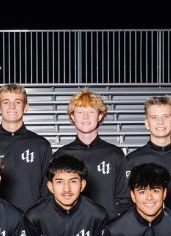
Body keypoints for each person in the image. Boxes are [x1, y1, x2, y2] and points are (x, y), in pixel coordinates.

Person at [24, 154, 108, 236]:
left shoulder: (97, 215)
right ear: (50, 186)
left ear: (82, 185)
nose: (66, 189)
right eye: (59, 182)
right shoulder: (34, 217)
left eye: (73, 181)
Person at [51, 90, 129, 218]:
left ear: (100, 116)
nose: (85, 117)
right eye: (80, 112)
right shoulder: (61, 155)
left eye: (91, 111)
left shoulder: (114, 154)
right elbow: (53, 198)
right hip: (72, 225)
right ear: (72, 116)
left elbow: (125, 199)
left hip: (107, 225)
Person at [0, 84, 52, 212]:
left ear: (26, 107)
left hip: (30, 217)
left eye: (18, 102)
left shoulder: (41, 145)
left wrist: (39, 215)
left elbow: (47, 189)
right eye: (6, 102)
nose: (12, 107)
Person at [124, 96, 171, 222]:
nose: (160, 122)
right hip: (141, 229)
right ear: (147, 123)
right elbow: (127, 200)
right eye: (154, 117)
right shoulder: (132, 160)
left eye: (166, 117)